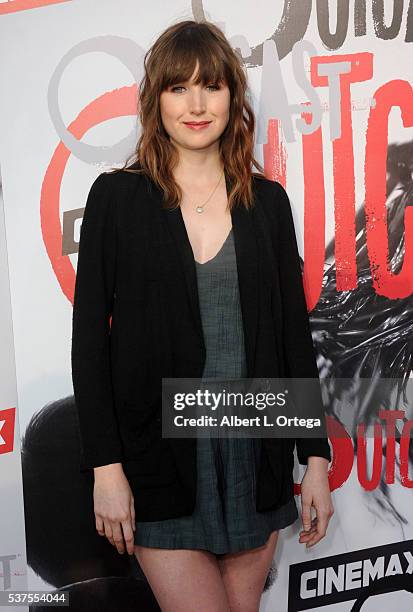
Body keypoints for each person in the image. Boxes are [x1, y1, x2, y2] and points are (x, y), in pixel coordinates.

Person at [71, 18, 334, 612]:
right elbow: (89, 345)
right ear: (155, 100)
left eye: (212, 86)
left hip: (254, 451)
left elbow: (293, 338)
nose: (196, 104)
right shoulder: (116, 199)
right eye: (178, 87)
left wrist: (313, 459)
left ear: (232, 98)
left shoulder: (267, 203)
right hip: (156, 460)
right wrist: (105, 471)